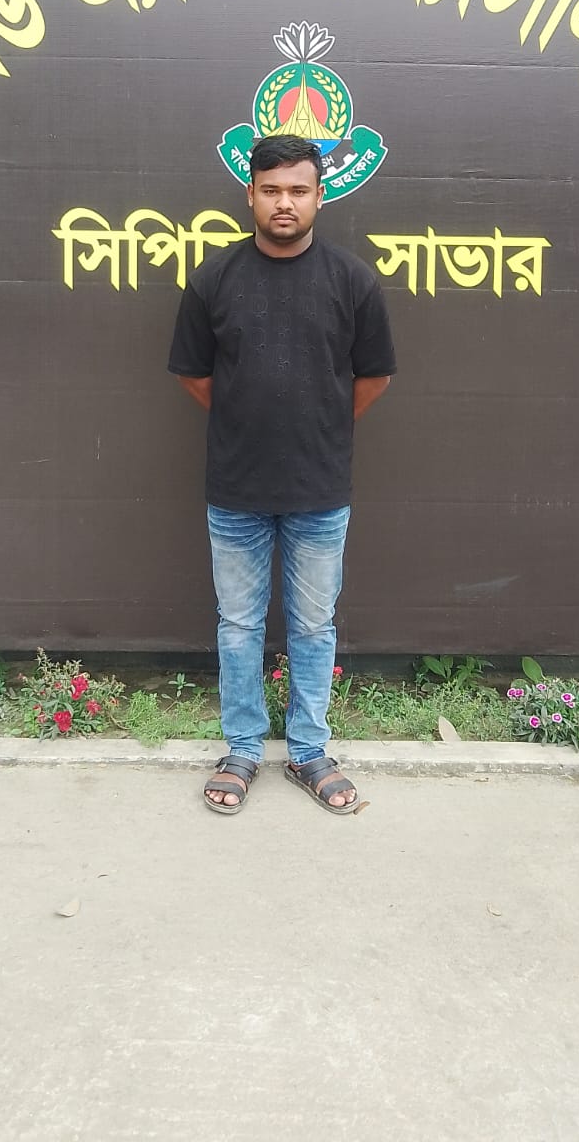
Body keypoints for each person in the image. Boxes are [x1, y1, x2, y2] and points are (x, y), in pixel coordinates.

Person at [168, 135, 396, 815]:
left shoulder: (352, 280)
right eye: (271, 190)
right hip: (236, 486)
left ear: (320, 196)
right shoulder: (213, 279)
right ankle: (241, 748)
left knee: (313, 627)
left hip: (319, 488)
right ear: (251, 195)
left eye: (298, 190)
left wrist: (319, 424)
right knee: (238, 625)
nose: (285, 203)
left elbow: (374, 376)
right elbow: (195, 374)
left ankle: (309, 751)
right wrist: (250, 419)